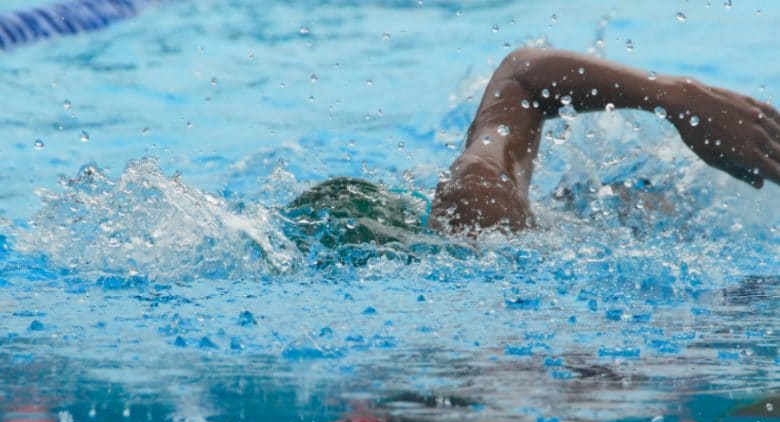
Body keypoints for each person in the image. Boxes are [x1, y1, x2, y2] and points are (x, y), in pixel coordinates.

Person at [290, 48, 780, 243]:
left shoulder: (476, 214)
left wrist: (681, 98)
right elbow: (523, 78)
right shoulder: (480, 216)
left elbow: (524, 77)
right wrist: (680, 98)